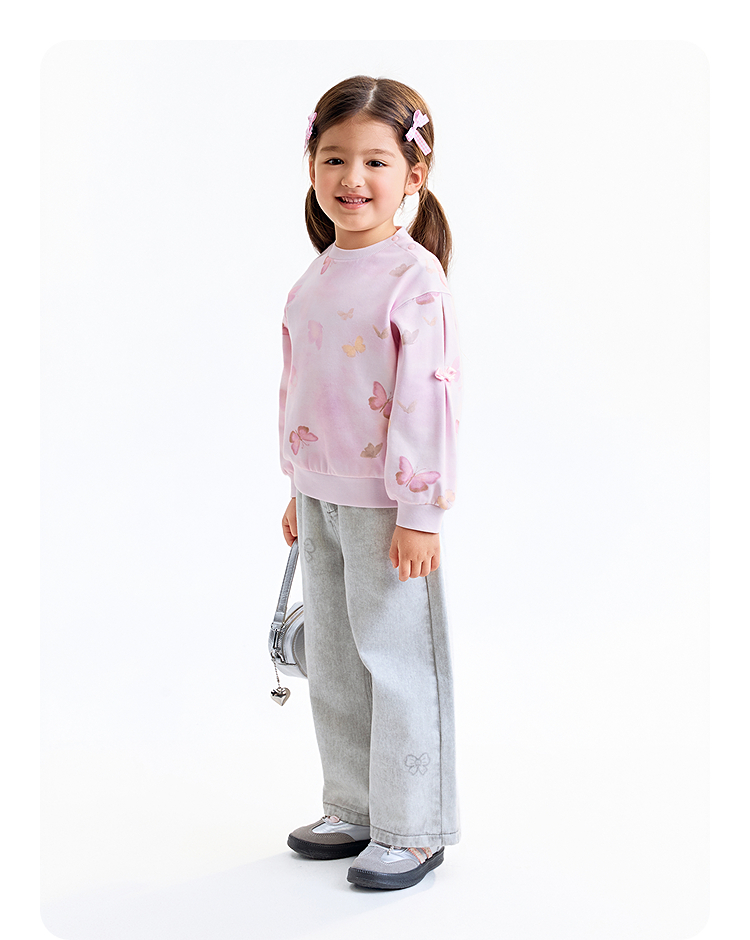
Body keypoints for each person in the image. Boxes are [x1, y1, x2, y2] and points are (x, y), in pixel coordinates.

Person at [278, 74, 462, 891]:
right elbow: (303, 388)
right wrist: (298, 483)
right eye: (334, 158)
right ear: (312, 166)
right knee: (336, 659)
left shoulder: (414, 280)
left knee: (398, 662)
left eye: (376, 161)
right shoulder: (316, 275)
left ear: (413, 175)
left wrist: (420, 510)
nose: (352, 178)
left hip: (390, 507)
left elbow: (429, 399)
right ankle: (353, 804)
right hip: (323, 497)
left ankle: (412, 828)